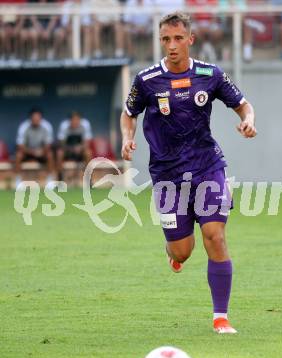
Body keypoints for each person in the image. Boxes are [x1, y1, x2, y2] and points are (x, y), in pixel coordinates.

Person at [121, 12, 257, 334]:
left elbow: (243, 105)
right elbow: (129, 114)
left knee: (215, 236)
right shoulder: (147, 79)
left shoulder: (210, 75)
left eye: (178, 38)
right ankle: (172, 252)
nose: (171, 46)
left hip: (207, 165)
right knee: (183, 250)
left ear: (191, 40)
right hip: (167, 175)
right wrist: (128, 138)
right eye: (166, 39)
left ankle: (220, 317)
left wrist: (249, 120)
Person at [15, 107, 55, 187]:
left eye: (38, 118)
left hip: (42, 152)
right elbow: (20, 145)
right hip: (28, 152)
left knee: (50, 155)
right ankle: (18, 180)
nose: (36, 120)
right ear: (30, 118)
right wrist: (32, 152)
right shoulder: (24, 127)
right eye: (34, 118)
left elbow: (48, 144)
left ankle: (50, 180)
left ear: (41, 118)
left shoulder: (46, 126)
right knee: (18, 155)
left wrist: (41, 151)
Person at [57, 111, 93, 179]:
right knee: (59, 153)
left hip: (80, 151)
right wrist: (72, 148)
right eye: (73, 120)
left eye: (77, 120)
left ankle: (89, 178)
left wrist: (80, 147)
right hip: (68, 151)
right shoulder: (64, 126)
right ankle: (60, 178)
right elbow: (61, 144)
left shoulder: (85, 125)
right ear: (70, 120)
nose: (75, 122)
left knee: (88, 153)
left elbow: (87, 143)